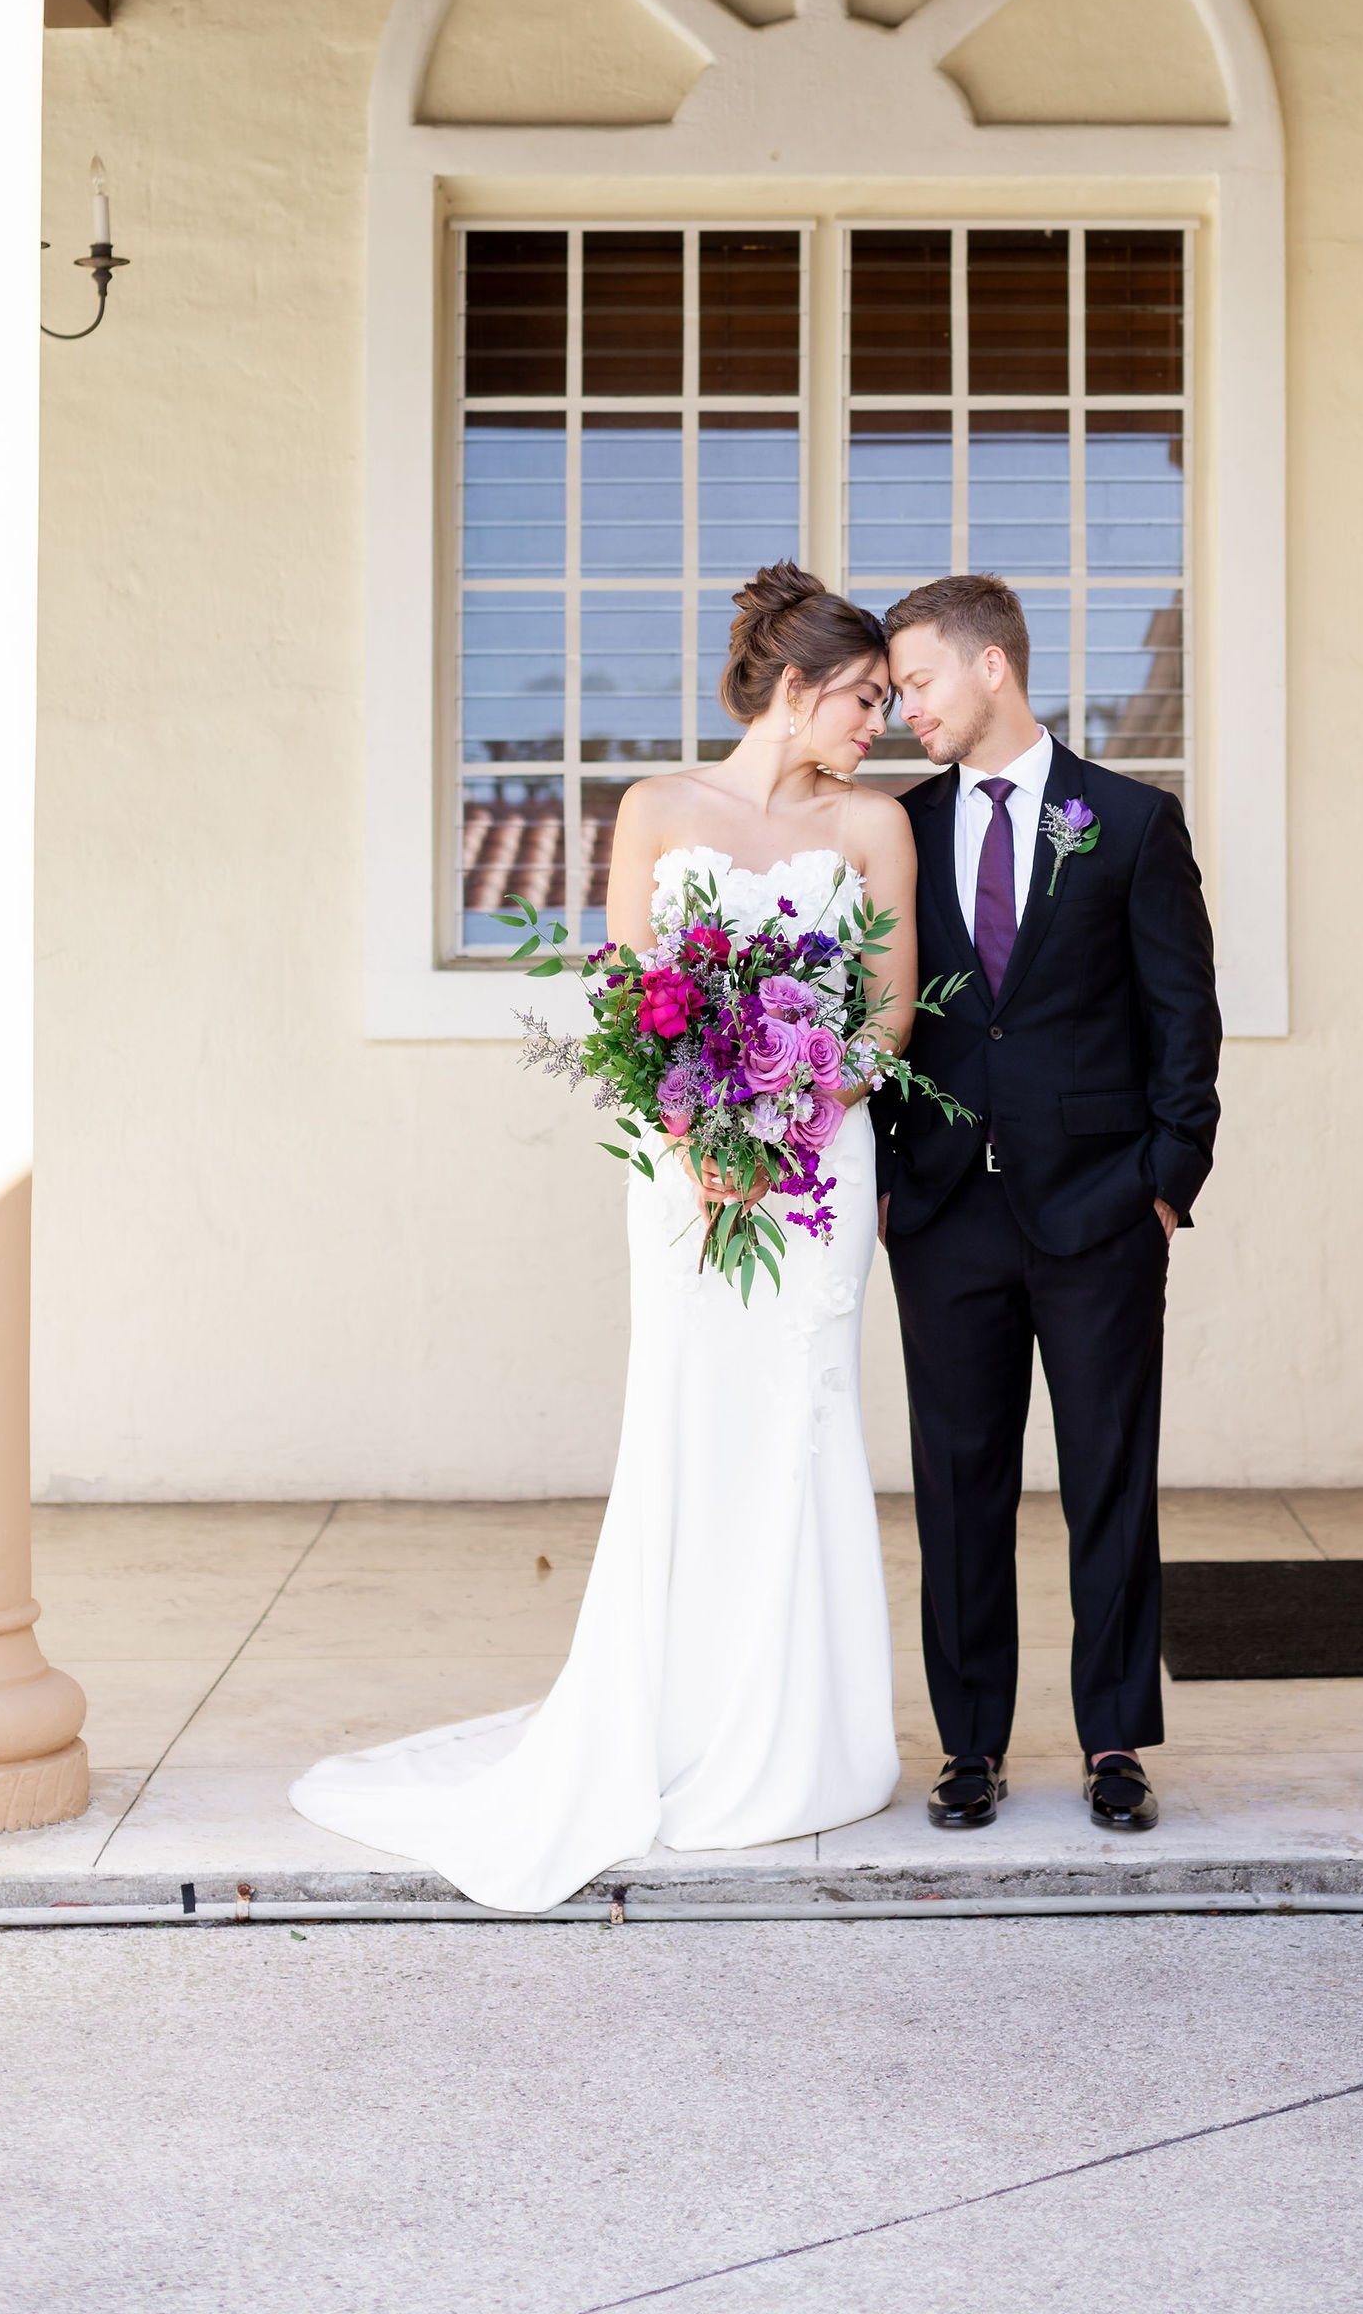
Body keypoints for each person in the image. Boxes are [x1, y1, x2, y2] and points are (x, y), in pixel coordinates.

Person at [292, 565, 913, 1910]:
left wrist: (796, 1111)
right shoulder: (656, 810)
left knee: (803, 1414)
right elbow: (635, 999)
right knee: (688, 1415)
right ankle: (666, 1717)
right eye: (864, 699)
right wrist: (704, 1138)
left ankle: (804, 1740)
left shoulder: (877, 826)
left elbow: (888, 1014)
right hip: (687, 1172)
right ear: (794, 687)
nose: (882, 724)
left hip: (814, 1172)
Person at [879, 573, 1222, 1837]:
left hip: (1099, 1211)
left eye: (915, 681)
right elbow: (874, 1015)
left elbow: (1183, 1017)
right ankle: (969, 1745)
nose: (900, 707)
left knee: (1107, 1481)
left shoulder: (1127, 822)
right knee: (957, 1485)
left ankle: (1113, 1738)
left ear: (990, 670)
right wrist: (880, 1178)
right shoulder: (897, 832)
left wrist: (1165, 1186)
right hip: (941, 1212)